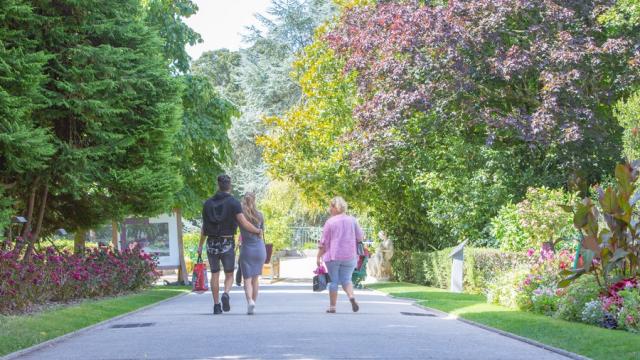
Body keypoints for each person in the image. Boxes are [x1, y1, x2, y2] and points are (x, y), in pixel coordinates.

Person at [198, 175, 262, 315]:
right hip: (227, 242)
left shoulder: (207, 204)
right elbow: (243, 222)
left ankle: (216, 305)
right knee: (229, 274)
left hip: (212, 243)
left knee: (214, 274)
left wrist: (200, 245)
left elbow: (204, 227)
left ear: (218, 185)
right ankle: (226, 293)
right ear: (230, 185)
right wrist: (257, 230)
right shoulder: (233, 203)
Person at [316, 196, 363, 313]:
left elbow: (324, 242)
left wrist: (318, 256)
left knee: (334, 281)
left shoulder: (330, 222)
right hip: (350, 255)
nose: (329, 209)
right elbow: (360, 237)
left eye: (331, 207)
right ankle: (351, 297)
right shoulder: (353, 220)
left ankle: (332, 307)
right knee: (347, 279)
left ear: (335, 207)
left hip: (333, 256)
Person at [238, 192, 267, 315]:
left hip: (247, 249)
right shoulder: (260, 215)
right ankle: (253, 303)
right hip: (260, 249)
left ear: (244, 201)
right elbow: (262, 232)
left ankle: (250, 301)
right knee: (255, 279)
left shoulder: (240, 216)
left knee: (247, 279)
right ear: (254, 201)